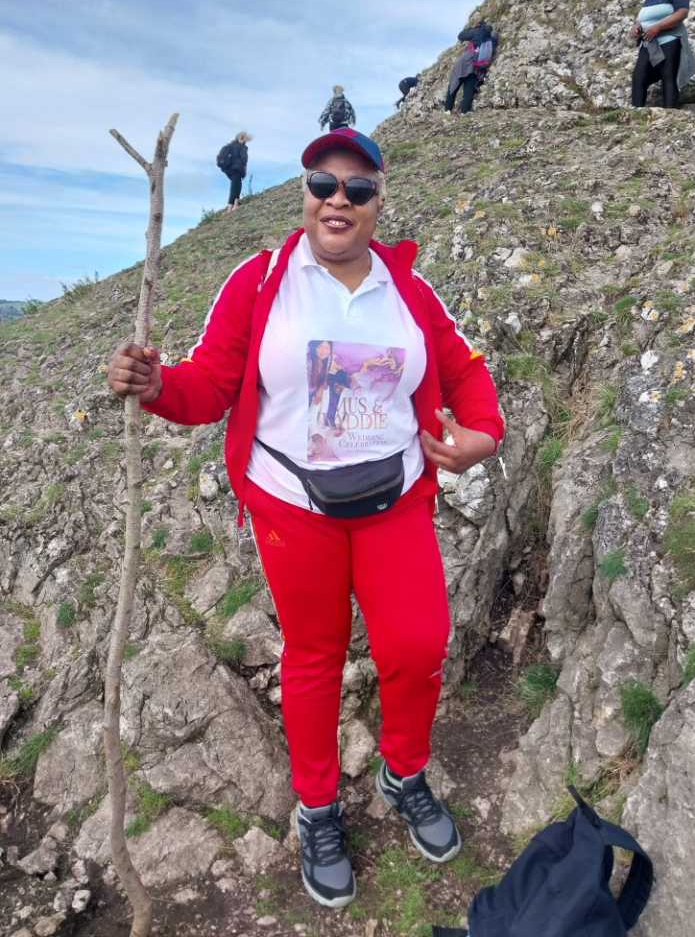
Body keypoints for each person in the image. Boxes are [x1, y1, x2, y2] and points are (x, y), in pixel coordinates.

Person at [107, 128, 504, 910]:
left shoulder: (410, 290)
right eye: (325, 182)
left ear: (378, 205)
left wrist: (481, 434)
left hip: (394, 502)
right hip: (294, 508)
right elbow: (209, 386)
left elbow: (463, 368)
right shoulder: (260, 281)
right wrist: (153, 385)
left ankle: (404, 772)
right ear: (304, 193)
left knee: (418, 645)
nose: (339, 200)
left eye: (358, 189)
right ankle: (317, 807)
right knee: (314, 656)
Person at [631, 0, 695, 109]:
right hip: (649, 43)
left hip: (669, 40)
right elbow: (642, 19)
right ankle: (636, 115)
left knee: (668, 77)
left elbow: (682, 13)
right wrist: (637, 27)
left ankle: (669, 113)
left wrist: (659, 27)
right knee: (638, 77)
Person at [444, 22, 499, 115]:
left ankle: (447, 110)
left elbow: (460, 36)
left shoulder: (476, 32)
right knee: (469, 89)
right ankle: (463, 112)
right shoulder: (491, 40)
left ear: (479, 26)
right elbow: (496, 38)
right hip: (476, 67)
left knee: (454, 84)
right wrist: (496, 34)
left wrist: (471, 27)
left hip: (465, 61)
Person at [218, 131, 251, 212]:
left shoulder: (230, 145)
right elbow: (244, 159)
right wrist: (245, 171)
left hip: (226, 168)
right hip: (236, 169)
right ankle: (230, 208)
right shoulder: (242, 147)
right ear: (244, 140)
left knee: (237, 184)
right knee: (235, 187)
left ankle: (236, 203)